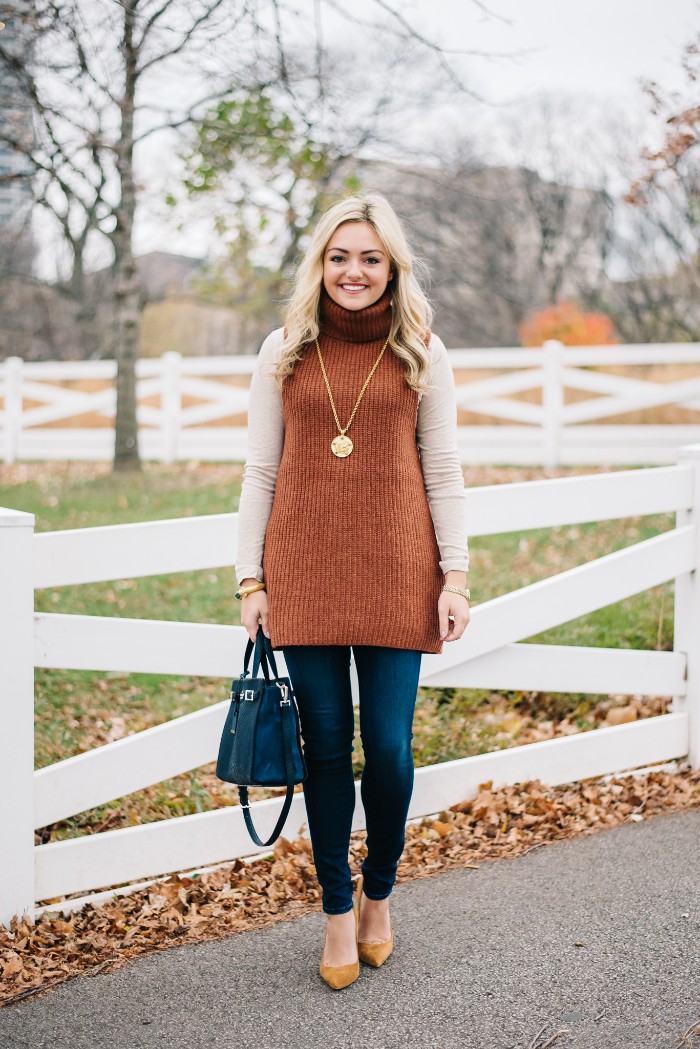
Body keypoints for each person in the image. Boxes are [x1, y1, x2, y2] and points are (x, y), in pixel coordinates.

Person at [235, 191, 470, 989]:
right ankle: (337, 909)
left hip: (400, 570)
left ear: (392, 265)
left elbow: (444, 473)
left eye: (370, 257)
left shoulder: (421, 350)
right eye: (340, 257)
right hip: (302, 569)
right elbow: (259, 471)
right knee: (326, 747)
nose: (354, 271)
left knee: (393, 752)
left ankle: (379, 890)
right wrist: (250, 576)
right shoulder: (283, 348)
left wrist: (457, 574)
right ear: (320, 266)